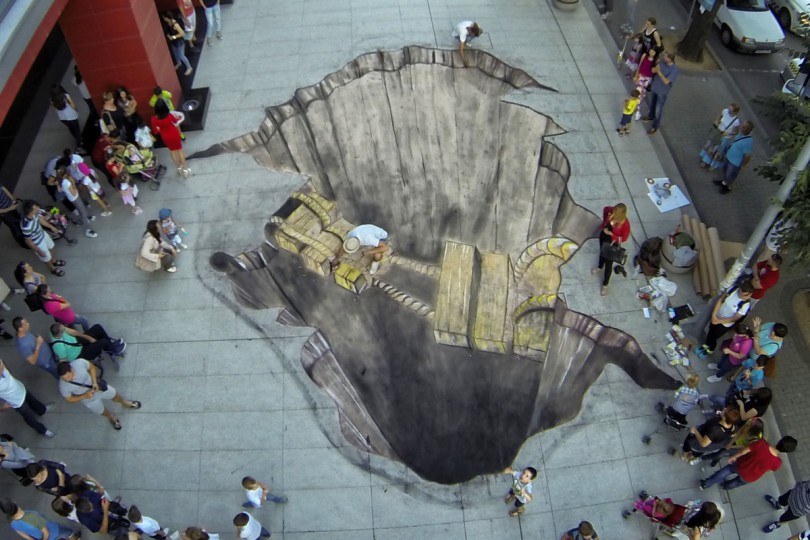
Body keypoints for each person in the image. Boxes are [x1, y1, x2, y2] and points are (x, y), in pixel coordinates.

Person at [57, 358, 141, 430]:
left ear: (71, 369)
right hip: (87, 398)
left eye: (68, 376)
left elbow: (92, 367)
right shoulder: (63, 386)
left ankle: (124, 402)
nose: (67, 380)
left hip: (98, 387)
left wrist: (94, 382)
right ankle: (111, 416)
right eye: (64, 378)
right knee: (100, 410)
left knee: (113, 394)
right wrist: (84, 396)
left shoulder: (79, 363)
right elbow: (69, 399)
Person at [700, 436, 797, 490]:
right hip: (751, 476)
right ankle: (725, 486)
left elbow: (743, 451)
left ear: (780, 441)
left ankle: (707, 483)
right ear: (786, 451)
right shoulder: (777, 463)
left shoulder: (761, 443)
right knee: (736, 483)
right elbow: (770, 468)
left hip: (741, 464)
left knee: (725, 471)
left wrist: (734, 456)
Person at [0, 358, 55, 438]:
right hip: (17, 402)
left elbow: (5, 368)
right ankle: (42, 430)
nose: (2, 369)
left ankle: (42, 410)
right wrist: (2, 407)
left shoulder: (1, 365)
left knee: (33, 401)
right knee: (30, 418)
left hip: (21, 388)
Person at [697, 281, 754, 356]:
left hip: (725, 324)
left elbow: (734, 318)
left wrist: (719, 321)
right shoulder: (733, 289)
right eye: (743, 294)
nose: (745, 297)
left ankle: (711, 349)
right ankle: (706, 344)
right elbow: (720, 300)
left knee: (714, 336)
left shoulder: (745, 305)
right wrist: (714, 314)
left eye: (747, 295)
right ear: (740, 289)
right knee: (710, 331)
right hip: (717, 316)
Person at [21, 200, 67, 276]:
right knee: (46, 257)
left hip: (42, 234)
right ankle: (52, 268)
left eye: (37, 206)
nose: (38, 208)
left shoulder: (35, 214)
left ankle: (54, 261)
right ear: (30, 212)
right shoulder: (26, 227)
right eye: (35, 208)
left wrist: (51, 227)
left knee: (51, 246)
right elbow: (28, 241)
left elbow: (40, 220)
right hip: (37, 242)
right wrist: (39, 251)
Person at [592, 203, 630, 296]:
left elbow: (624, 238)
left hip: (613, 242)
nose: (613, 212)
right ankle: (600, 266)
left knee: (609, 264)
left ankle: (605, 284)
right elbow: (605, 209)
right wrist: (604, 224)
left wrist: (612, 235)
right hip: (604, 237)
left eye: (616, 212)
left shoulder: (625, 224)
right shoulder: (610, 211)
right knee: (602, 253)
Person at [0, 498, 79, 540]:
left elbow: (26, 537)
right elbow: (46, 533)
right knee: (68, 532)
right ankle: (74, 538)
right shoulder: (32, 516)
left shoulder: (13, 523)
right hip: (55, 530)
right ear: (15, 502)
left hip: (39, 537)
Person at [50, 322, 126, 364]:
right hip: (80, 354)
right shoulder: (59, 347)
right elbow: (63, 360)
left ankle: (110, 348)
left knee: (97, 327)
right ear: (60, 333)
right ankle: (112, 348)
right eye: (64, 330)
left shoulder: (57, 329)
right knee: (103, 342)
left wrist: (89, 337)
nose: (65, 328)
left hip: (77, 342)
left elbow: (74, 332)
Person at [55, 163, 98, 238]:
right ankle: (87, 230)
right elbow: (74, 193)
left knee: (80, 209)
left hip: (70, 198)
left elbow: (59, 190)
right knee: (83, 211)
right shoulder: (67, 182)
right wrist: (73, 183)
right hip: (75, 197)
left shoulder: (59, 180)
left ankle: (85, 219)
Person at [152, 99, 190, 177]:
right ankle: (185, 170)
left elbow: (155, 132)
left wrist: (160, 129)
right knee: (180, 151)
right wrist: (180, 133)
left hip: (165, 137)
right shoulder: (170, 116)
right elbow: (176, 123)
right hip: (174, 134)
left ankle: (179, 168)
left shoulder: (154, 119)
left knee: (172, 151)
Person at [713, 121, 754, 194]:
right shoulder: (740, 133)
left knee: (730, 176)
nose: (741, 127)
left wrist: (743, 165)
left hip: (735, 163)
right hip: (729, 157)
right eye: (742, 125)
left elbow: (748, 156)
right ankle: (723, 182)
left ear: (748, 130)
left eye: (744, 127)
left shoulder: (748, 142)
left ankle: (728, 187)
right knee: (725, 170)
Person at [644, 51, 678, 134]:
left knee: (658, 110)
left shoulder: (674, 69)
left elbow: (666, 81)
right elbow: (653, 70)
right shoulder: (662, 62)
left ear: (670, 59)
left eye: (665, 57)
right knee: (652, 104)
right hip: (655, 87)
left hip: (662, 92)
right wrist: (655, 68)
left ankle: (655, 126)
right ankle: (650, 116)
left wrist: (659, 72)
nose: (663, 57)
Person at [700, 103, 741, 171]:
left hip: (725, 137)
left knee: (718, 151)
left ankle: (713, 165)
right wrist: (717, 122)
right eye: (729, 109)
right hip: (718, 132)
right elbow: (719, 118)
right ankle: (705, 161)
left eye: (730, 110)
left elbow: (736, 132)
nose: (728, 111)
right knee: (711, 147)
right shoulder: (725, 111)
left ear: (735, 112)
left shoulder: (736, 121)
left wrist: (728, 133)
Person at [50, 85, 84, 151]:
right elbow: (73, 106)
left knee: (71, 129)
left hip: (62, 118)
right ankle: (79, 145)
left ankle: (77, 138)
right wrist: (76, 110)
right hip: (71, 116)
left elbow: (54, 107)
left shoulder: (51, 99)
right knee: (77, 130)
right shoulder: (66, 96)